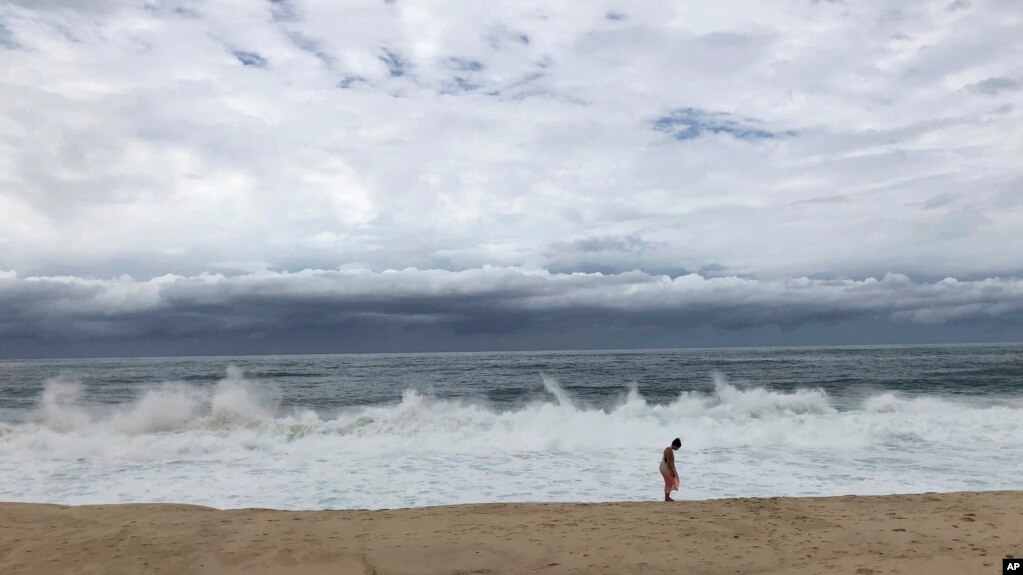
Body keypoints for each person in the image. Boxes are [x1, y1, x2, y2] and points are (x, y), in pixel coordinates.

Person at [660, 437, 681, 501]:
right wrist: (671, 472)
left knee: (668, 482)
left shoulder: (667, 449)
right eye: (678, 447)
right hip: (666, 469)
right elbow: (668, 463)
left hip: (663, 468)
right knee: (669, 483)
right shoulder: (669, 451)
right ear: (675, 445)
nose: (677, 449)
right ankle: (667, 498)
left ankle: (667, 497)